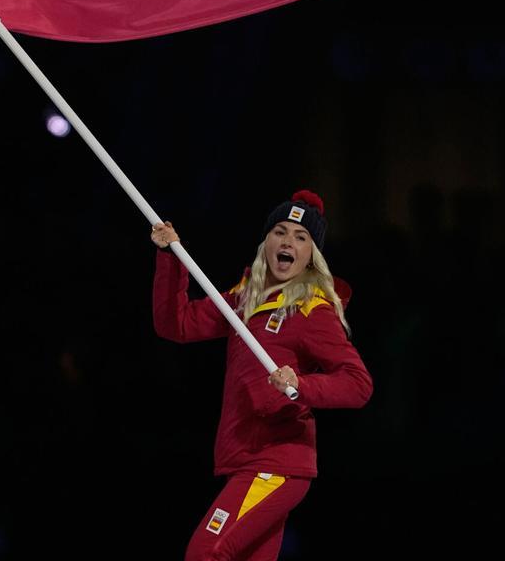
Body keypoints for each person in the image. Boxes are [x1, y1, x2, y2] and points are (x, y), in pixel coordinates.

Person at [150, 190, 372, 561]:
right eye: (280, 232)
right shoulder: (245, 300)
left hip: (275, 464)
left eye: (301, 237)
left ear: (312, 255)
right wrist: (171, 259)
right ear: (265, 242)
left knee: (206, 552)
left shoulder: (310, 311)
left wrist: (301, 385)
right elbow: (176, 325)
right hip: (245, 458)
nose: (288, 242)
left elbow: (358, 384)